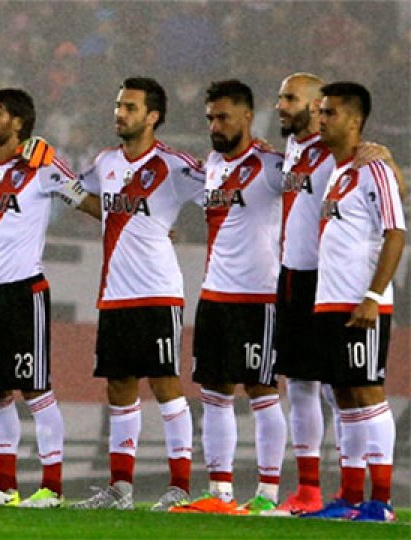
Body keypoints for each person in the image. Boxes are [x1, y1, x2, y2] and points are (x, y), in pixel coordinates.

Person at [271, 72, 406, 515]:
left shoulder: (371, 167)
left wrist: (372, 294)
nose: (319, 117)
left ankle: (381, 501)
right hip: (327, 298)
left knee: (368, 391)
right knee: (343, 393)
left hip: (358, 301)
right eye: (319, 110)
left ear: (355, 120)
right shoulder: (338, 171)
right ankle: (349, 496)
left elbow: (395, 232)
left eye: (328, 112)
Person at [71, 77, 203, 512]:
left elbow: (219, 195)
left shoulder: (173, 165)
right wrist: (61, 183)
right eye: (117, 105)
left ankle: (180, 485)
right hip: (114, 293)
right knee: (119, 386)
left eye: (129, 107)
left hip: (158, 291)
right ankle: (120, 488)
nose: (119, 113)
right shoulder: (106, 161)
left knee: (165, 383)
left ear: (153, 116)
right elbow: (90, 198)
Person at [0, 88, 94, 508]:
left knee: (36, 389)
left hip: (24, 291)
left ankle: (52, 489)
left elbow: (89, 202)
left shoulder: (42, 165)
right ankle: (4, 486)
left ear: (18, 122)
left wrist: (144, 225)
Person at [171, 80, 287, 515]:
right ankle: (220, 493)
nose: (215, 126)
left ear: (247, 117)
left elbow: (315, 193)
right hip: (214, 295)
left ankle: (268, 496)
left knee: (262, 392)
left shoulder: (273, 165)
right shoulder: (213, 165)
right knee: (214, 393)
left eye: (223, 117)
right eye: (210, 119)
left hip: (259, 297)